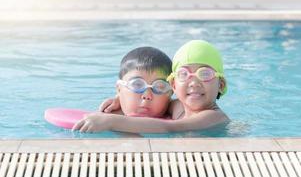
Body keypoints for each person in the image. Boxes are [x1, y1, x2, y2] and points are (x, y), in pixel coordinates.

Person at [73, 40, 230, 133]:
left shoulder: (213, 116)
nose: (194, 83)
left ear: (221, 85)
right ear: (174, 85)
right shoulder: (178, 107)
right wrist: (119, 100)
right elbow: (156, 104)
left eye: (204, 74)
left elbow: (171, 128)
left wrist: (111, 121)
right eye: (184, 74)